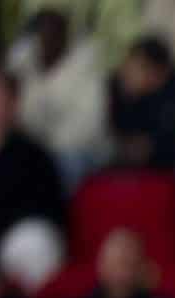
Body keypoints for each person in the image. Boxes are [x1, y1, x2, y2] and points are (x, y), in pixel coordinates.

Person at [0, 69, 67, 291]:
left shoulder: (34, 154)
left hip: (22, 235)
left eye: (0, 98)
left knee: (34, 244)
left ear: (15, 103)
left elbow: (46, 208)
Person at [7, 11, 108, 184]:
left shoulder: (88, 68)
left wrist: (43, 146)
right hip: (31, 146)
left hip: (76, 150)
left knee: (65, 165)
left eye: (56, 34)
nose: (50, 40)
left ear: (66, 37)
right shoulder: (20, 63)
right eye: (44, 34)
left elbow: (88, 127)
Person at [108, 35, 175, 174]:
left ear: (160, 71)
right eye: (129, 65)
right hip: (133, 168)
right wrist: (128, 98)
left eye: (139, 67)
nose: (128, 72)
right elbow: (122, 136)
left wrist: (152, 145)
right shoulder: (119, 88)